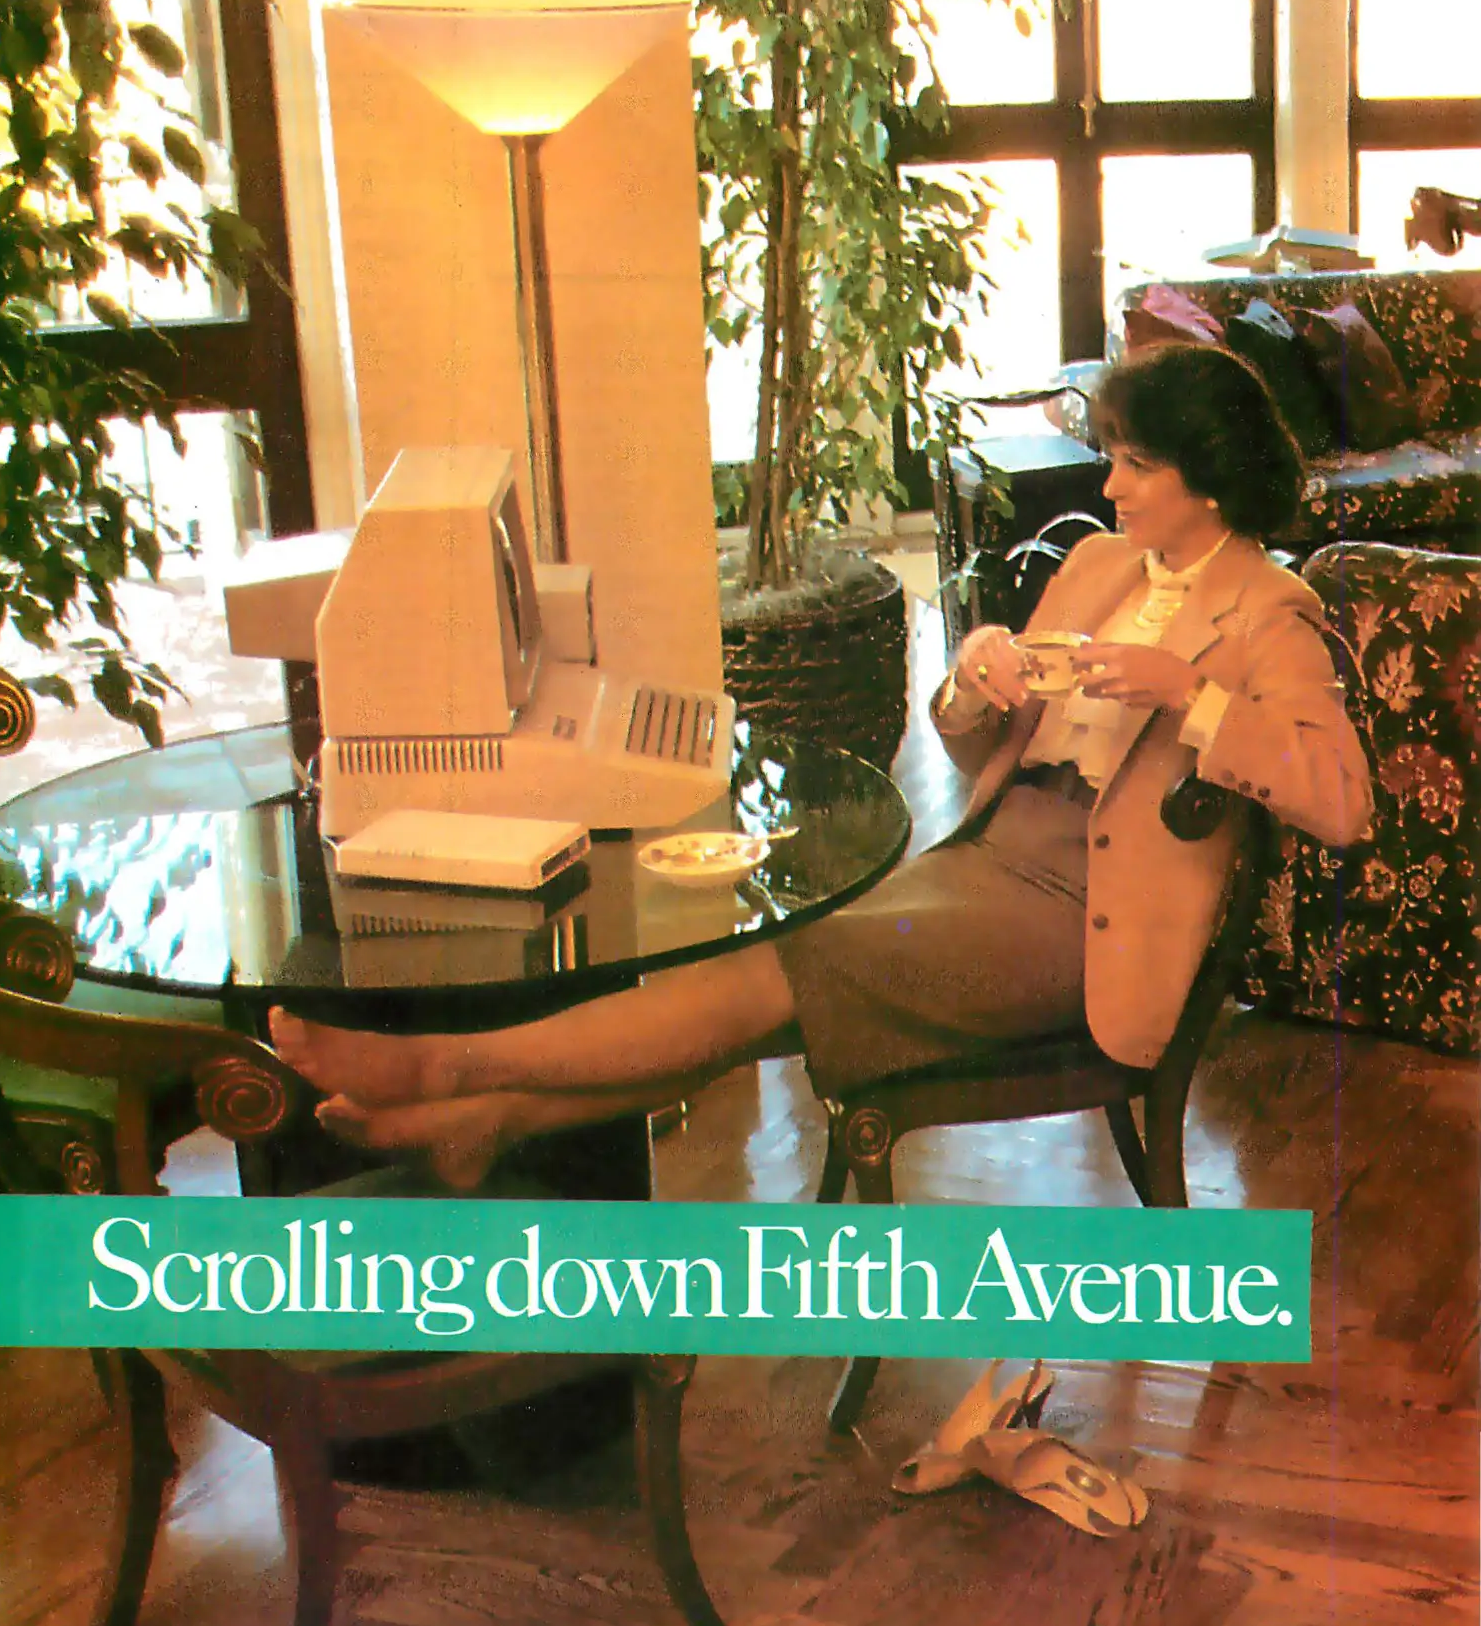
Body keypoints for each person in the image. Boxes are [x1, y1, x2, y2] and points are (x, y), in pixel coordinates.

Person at [271, 341, 1373, 1188]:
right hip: (987, 859)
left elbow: (1340, 802)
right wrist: (973, 678)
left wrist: (1189, 695)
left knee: (788, 957)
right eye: (1114, 457)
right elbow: (972, 743)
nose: (1112, 482)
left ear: (1208, 481)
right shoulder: (1096, 562)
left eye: (1138, 463)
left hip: (1087, 917)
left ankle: (445, 1068)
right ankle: (488, 1117)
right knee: (778, 972)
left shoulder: (1270, 612)